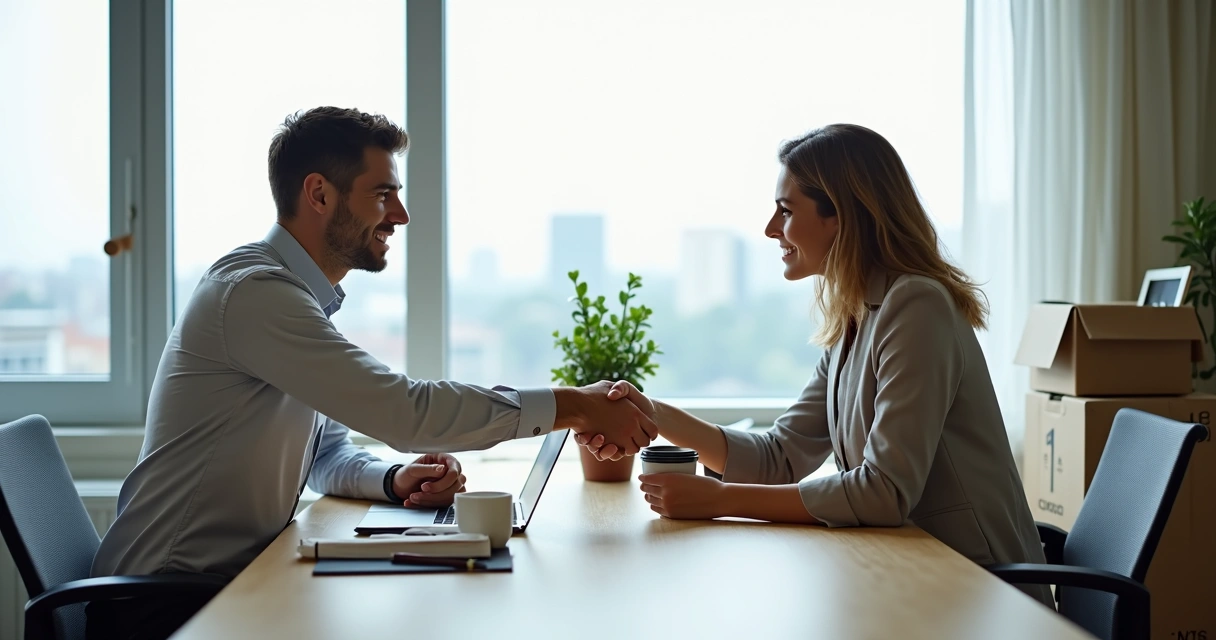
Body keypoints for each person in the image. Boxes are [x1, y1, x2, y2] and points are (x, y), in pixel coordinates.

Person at [87, 106, 657, 639]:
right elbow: (404, 411)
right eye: (383, 194)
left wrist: (393, 480)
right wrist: (571, 404)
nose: (401, 215)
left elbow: (327, 454)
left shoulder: (295, 299)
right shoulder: (257, 295)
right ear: (318, 193)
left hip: (223, 587)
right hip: (161, 606)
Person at [581, 124, 1054, 608]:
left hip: (984, 591)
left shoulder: (916, 306)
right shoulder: (858, 313)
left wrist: (721, 499)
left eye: (786, 211)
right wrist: (653, 414)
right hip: (911, 573)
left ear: (841, 216)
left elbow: (883, 493)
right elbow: (781, 457)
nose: (771, 229)